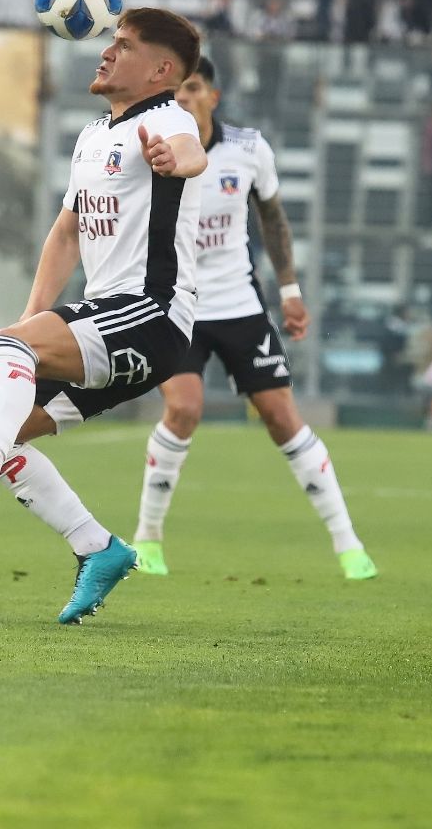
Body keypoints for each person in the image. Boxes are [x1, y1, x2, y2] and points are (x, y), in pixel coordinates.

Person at [0, 8, 210, 625]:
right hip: (112, 319)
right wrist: (30, 319)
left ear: (161, 70)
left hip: (152, 314)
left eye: (122, 46)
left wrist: (179, 164)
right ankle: (98, 547)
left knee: (3, 376)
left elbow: (190, 151)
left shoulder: (169, 119)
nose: (106, 52)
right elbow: (68, 231)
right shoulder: (95, 135)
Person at [128, 56, 377, 580]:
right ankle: (147, 538)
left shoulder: (248, 150)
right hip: (177, 307)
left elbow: (273, 220)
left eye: (194, 88)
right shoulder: (149, 149)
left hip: (240, 305)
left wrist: (290, 291)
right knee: (185, 408)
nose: (185, 98)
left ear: (212, 97)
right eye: (178, 89)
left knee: (283, 418)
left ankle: (348, 543)